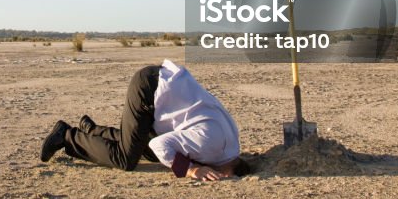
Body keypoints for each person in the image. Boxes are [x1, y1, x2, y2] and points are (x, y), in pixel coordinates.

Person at [40, 59, 250, 181]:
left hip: (164, 85)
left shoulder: (230, 146)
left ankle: (92, 131)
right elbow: (158, 144)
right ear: (224, 172)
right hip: (149, 90)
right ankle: (67, 137)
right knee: (126, 159)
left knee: (145, 150)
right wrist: (192, 170)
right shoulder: (208, 145)